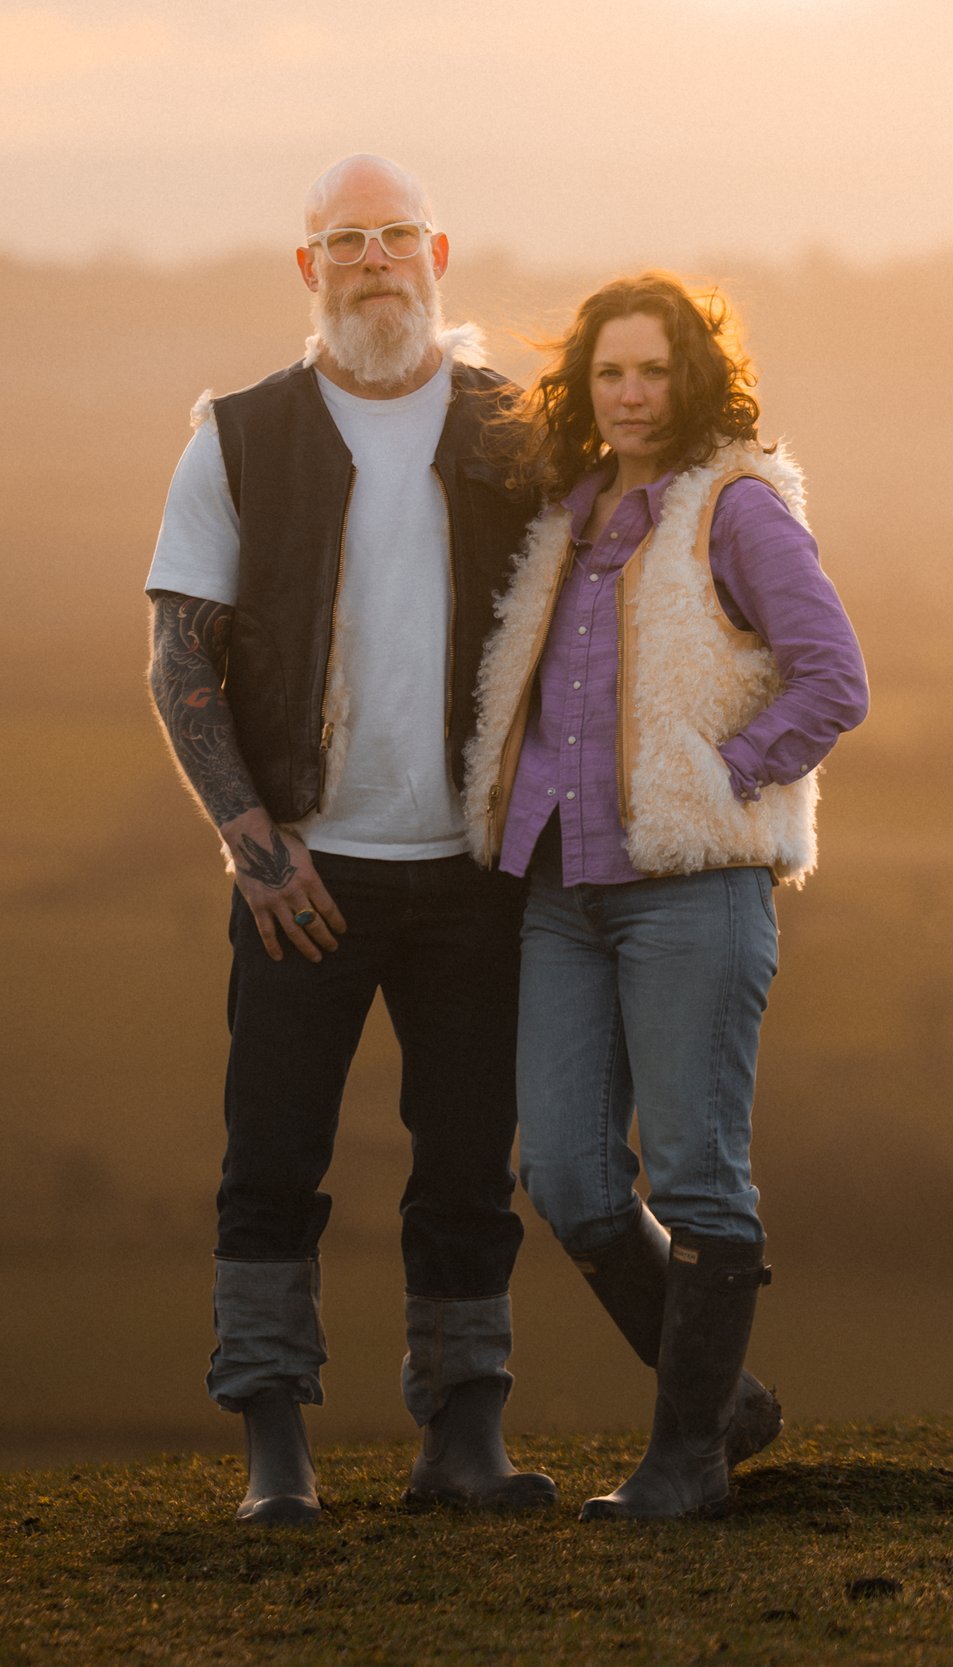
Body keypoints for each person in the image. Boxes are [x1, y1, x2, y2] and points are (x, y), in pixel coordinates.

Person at [143, 155, 554, 1524]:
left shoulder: (516, 427)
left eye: (395, 236)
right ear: (307, 268)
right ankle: (275, 1456)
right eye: (345, 240)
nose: (374, 260)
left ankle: (465, 1438)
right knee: (271, 1156)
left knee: (466, 1162)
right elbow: (179, 652)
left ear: (438, 248)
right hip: (300, 873)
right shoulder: (240, 432)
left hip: (474, 872)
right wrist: (257, 845)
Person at [466, 272, 868, 1520]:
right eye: (608, 374)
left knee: (697, 1179)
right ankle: (727, 1401)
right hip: (558, 890)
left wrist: (720, 775)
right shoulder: (570, 515)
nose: (630, 394)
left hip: (688, 890)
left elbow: (834, 678)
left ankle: (684, 1458)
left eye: (651, 370)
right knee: (573, 1180)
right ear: (583, 389)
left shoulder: (737, 509)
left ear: (691, 378)